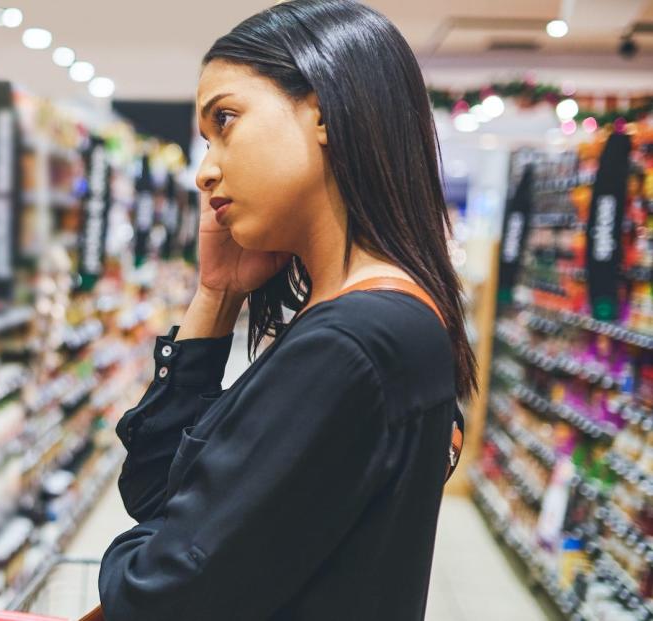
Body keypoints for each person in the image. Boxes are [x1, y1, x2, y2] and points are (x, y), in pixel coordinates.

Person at [96, 1, 476, 619]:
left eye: (226, 120)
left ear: (323, 110)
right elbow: (155, 487)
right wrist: (216, 295)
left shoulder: (353, 343)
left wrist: (150, 551)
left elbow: (157, 594)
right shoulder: (372, 317)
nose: (204, 171)